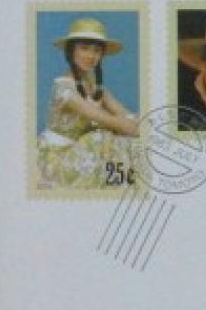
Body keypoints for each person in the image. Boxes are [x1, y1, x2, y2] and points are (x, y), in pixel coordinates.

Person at [37, 17, 139, 190]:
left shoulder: (93, 84)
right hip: (58, 157)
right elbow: (113, 121)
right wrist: (133, 126)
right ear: (71, 51)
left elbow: (123, 113)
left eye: (97, 51)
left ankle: (122, 187)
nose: (91, 56)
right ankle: (119, 187)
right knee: (102, 137)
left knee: (123, 141)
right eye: (84, 48)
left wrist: (140, 121)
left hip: (80, 149)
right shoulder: (63, 89)